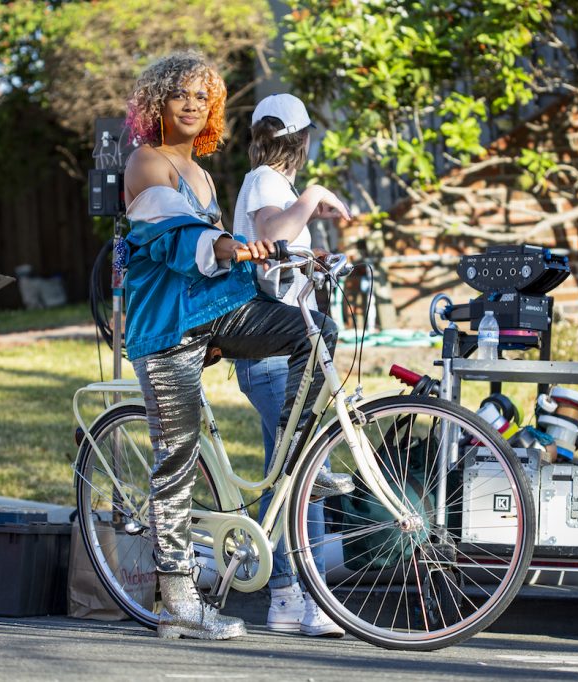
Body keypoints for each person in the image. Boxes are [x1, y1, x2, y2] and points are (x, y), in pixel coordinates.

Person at [122, 52, 351, 641]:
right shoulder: (146, 163)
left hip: (212, 317)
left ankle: (302, 463)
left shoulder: (201, 174)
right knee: (176, 457)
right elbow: (178, 238)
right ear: (158, 105)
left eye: (204, 96)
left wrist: (287, 257)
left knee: (314, 331)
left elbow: (222, 255)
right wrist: (229, 248)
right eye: (181, 95)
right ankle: (178, 602)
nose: (194, 104)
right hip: (168, 328)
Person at [231, 94, 352, 637]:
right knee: (306, 470)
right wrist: (314, 197)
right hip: (274, 353)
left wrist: (317, 261)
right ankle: (305, 596)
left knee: (294, 475)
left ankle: (287, 595)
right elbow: (269, 236)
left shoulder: (273, 187)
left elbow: (281, 254)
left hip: (286, 349)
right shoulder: (263, 182)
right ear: (303, 141)